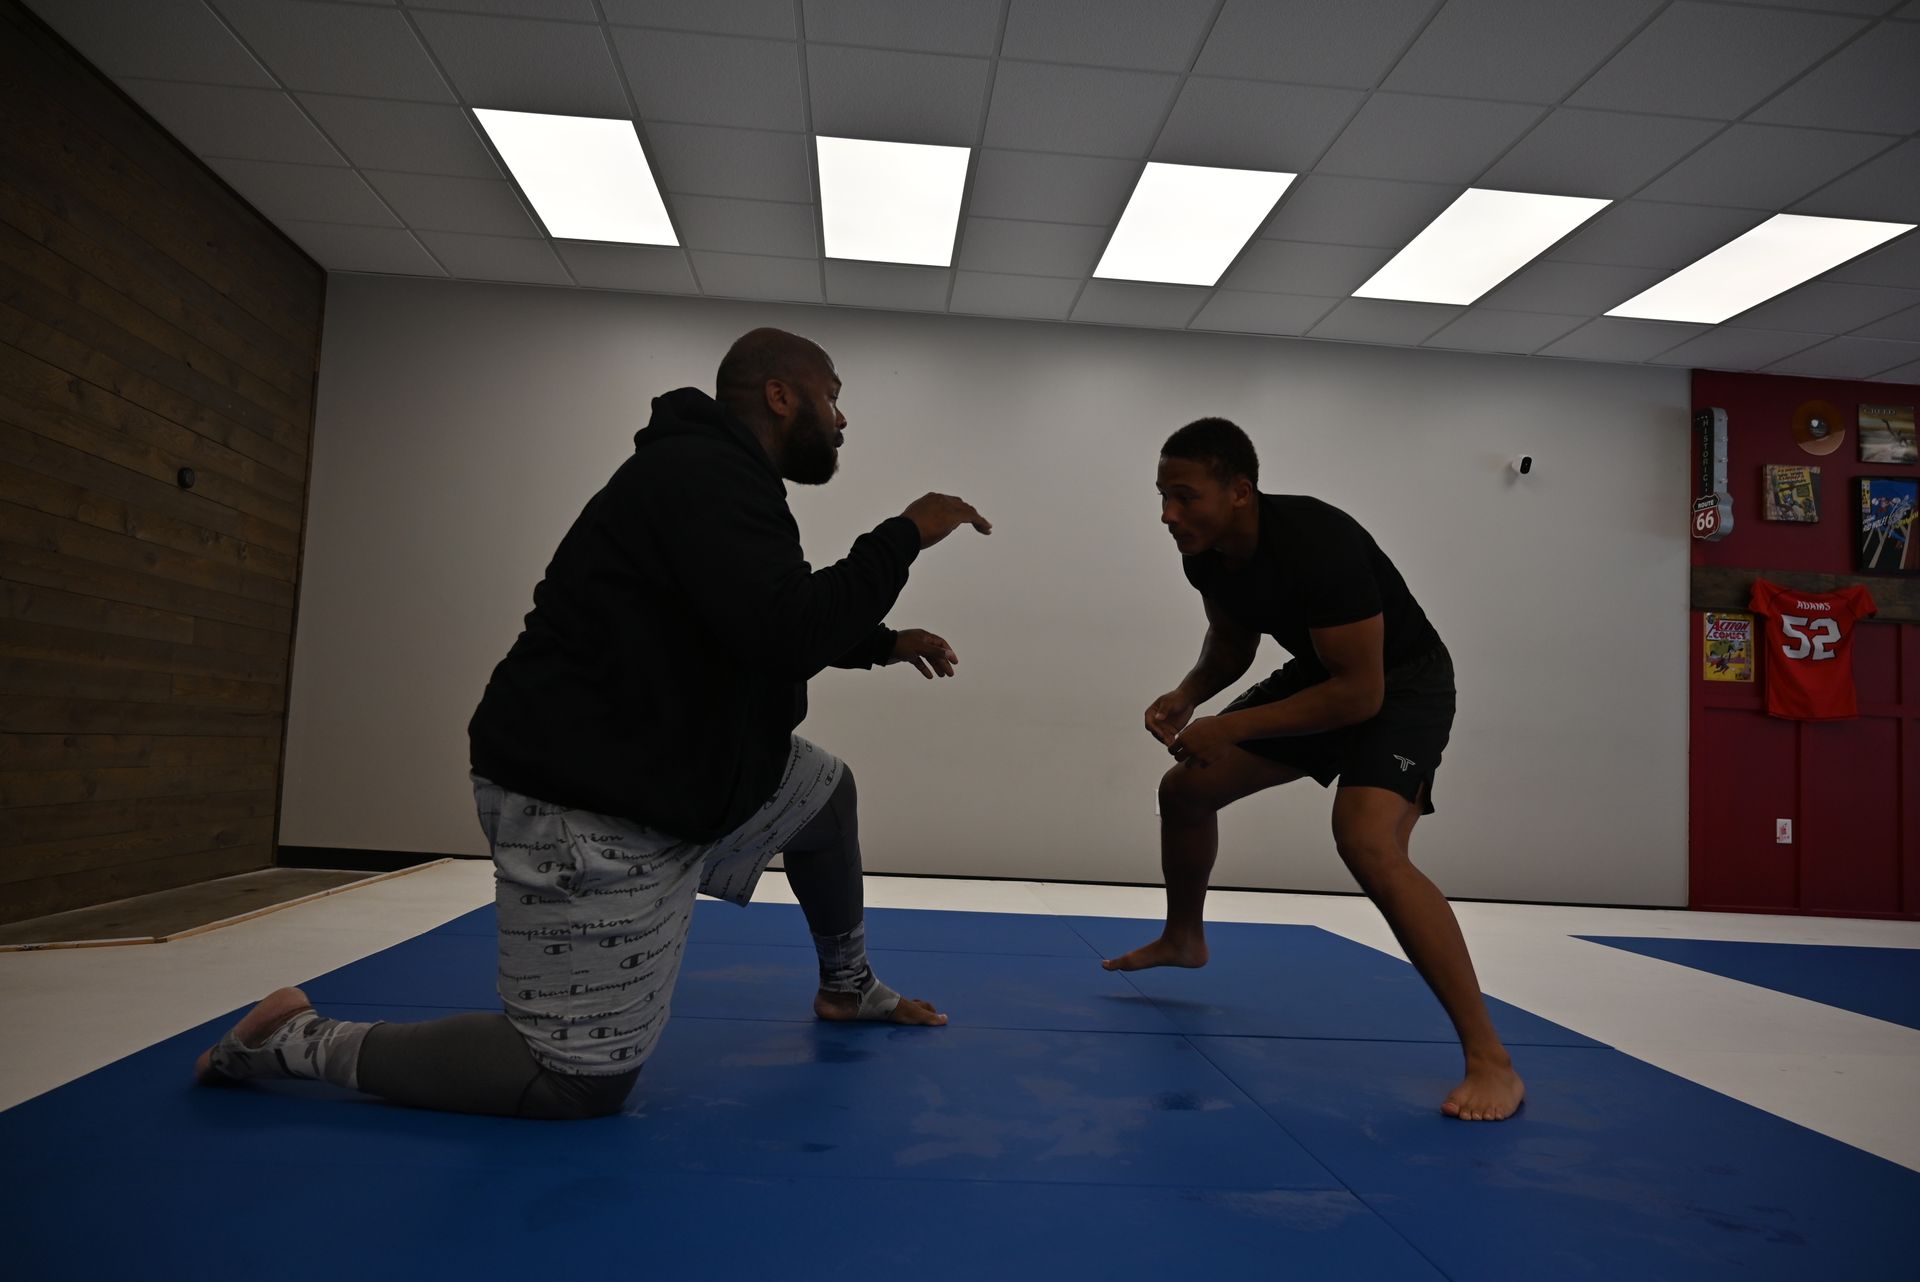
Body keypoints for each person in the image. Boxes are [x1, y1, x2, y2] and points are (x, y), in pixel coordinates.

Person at [195, 328, 991, 1119]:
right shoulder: (699, 474)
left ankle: (846, 987)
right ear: (782, 395)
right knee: (571, 1080)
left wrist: (884, 643)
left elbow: (745, 607)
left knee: (823, 793)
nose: (842, 419)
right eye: (833, 396)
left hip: (678, 761)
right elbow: (783, 626)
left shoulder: (717, 476)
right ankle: (294, 1038)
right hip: (591, 798)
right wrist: (904, 534)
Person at [1105, 417, 1524, 1122]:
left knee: (1366, 841)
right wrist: (1188, 695)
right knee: (1186, 787)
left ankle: (1492, 1060)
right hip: (1327, 675)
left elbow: (1363, 695)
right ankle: (1185, 938)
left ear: (1239, 492)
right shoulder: (1206, 554)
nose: (1168, 516)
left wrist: (1230, 724)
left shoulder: (1317, 544)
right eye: (1162, 497)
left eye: (1184, 497)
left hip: (1404, 684)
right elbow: (1232, 643)